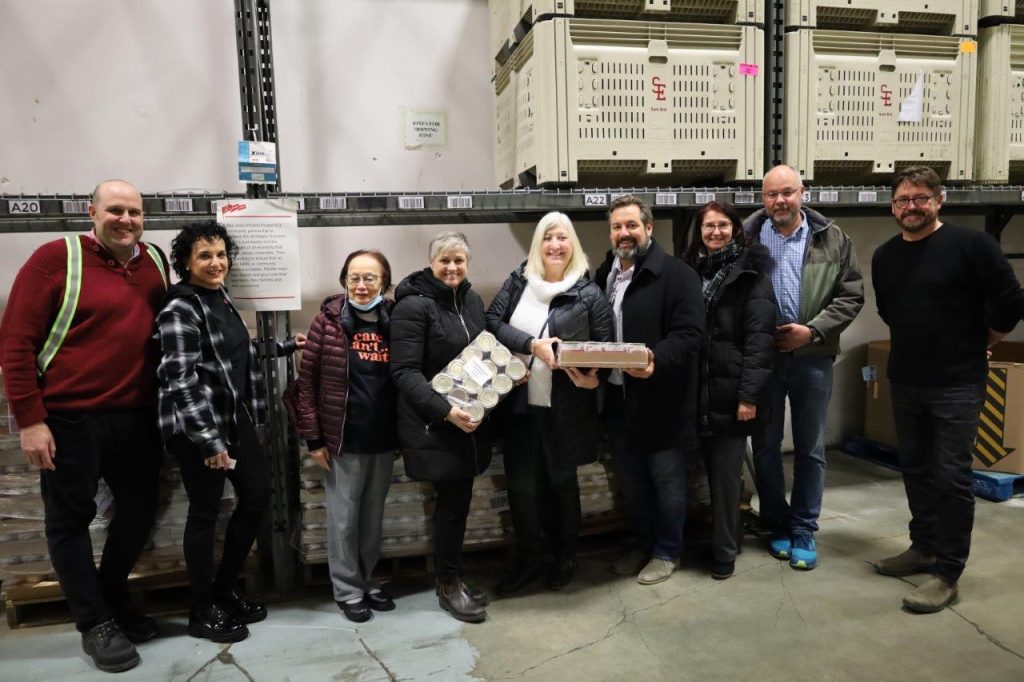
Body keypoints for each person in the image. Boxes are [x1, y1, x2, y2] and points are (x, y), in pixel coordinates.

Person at [0, 179, 167, 673]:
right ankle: (94, 622)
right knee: (68, 522)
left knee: (138, 512)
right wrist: (30, 421)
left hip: (136, 417)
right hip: (70, 419)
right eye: (115, 210)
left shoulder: (153, 260)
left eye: (134, 212)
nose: (126, 220)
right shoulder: (56, 259)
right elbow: (15, 345)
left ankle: (113, 599)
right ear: (91, 212)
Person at [872, 166, 1024, 612]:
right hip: (907, 378)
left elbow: (1012, 301)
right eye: (903, 200)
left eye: (920, 198)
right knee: (916, 469)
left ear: (939, 200)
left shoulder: (971, 245)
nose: (911, 207)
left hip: (957, 382)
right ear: (893, 206)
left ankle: (948, 572)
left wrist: (983, 342)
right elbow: (890, 311)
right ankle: (924, 548)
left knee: (952, 476)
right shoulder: (885, 255)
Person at [156, 221, 303, 642]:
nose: (216, 262)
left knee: (256, 497)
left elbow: (235, 353)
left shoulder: (220, 297)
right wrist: (209, 440)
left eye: (221, 254)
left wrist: (284, 347)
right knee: (204, 513)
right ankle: (202, 609)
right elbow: (179, 379)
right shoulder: (180, 308)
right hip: (198, 427)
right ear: (185, 262)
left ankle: (224, 589)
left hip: (233, 417)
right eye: (205, 255)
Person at [485, 212, 613, 594]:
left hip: (566, 408)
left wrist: (595, 378)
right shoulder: (518, 281)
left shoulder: (589, 294)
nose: (555, 245)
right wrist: (530, 346)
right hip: (519, 406)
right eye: (547, 238)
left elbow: (605, 349)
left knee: (561, 482)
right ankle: (528, 560)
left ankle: (565, 556)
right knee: (522, 486)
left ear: (572, 243)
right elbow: (491, 322)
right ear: (538, 244)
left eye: (562, 237)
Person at [743, 165, 864, 570]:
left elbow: (850, 296)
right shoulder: (745, 237)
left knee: (811, 448)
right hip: (763, 360)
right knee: (765, 446)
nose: (780, 201)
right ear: (763, 199)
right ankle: (776, 522)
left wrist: (811, 331)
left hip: (812, 356)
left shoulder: (832, 238)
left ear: (802, 192)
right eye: (771, 194)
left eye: (788, 192)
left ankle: (803, 529)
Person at [596, 194, 705, 585]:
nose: (623, 233)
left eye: (630, 225)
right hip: (618, 398)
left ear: (648, 228)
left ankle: (666, 551)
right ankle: (642, 543)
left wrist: (655, 360)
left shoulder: (677, 275)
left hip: (661, 400)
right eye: (617, 227)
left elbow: (690, 335)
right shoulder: (605, 274)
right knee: (633, 481)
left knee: (666, 481)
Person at [390, 231, 493, 622]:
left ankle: (453, 578)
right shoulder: (413, 307)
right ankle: (448, 586)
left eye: (459, 261)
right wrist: (446, 411)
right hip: (436, 425)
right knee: (451, 507)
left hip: (469, 423)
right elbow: (404, 373)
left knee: (458, 504)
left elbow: (479, 353)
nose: (452, 268)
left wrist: (504, 374)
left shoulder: (471, 299)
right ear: (431, 263)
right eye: (445, 261)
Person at [290, 249, 398, 623]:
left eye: (370, 278)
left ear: (384, 282)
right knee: (343, 518)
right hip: (342, 439)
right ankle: (347, 589)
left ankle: (367, 581)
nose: (362, 285)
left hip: (383, 437)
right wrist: (314, 439)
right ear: (344, 281)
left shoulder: (394, 320)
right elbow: (307, 386)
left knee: (371, 516)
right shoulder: (328, 322)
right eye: (354, 277)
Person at [683, 201, 776, 580]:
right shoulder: (688, 272)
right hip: (693, 392)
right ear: (699, 231)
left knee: (725, 480)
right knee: (699, 476)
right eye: (708, 226)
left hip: (730, 392)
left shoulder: (751, 274)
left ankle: (724, 553)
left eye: (723, 225)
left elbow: (760, 342)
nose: (715, 232)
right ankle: (720, 540)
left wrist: (748, 397)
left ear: (735, 229)